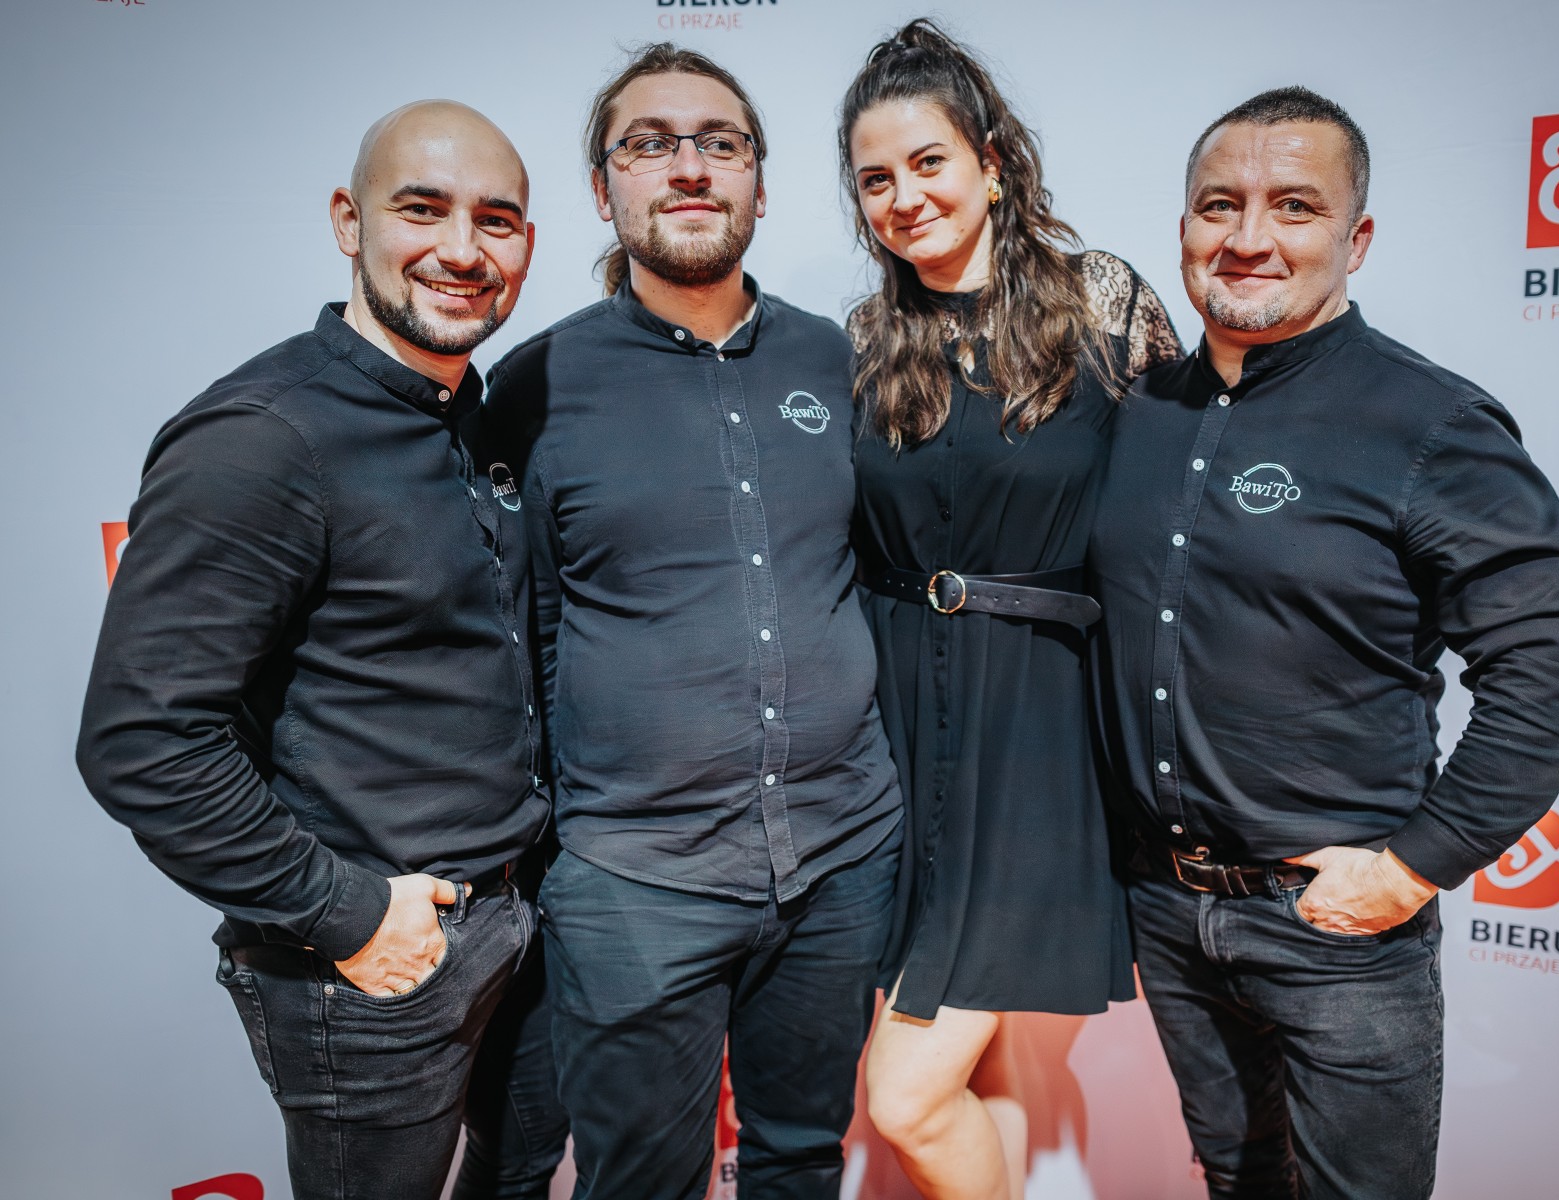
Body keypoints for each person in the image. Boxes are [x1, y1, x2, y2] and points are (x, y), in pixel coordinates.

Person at [1089, 86, 1559, 1199]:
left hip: (1336, 932)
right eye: (1219, 205)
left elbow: (1552, 671)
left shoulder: (1430, 423)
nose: (1249, 237)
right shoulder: (1139, 414)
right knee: (1237, 1183)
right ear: (1182, 227)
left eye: (1295, 206)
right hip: (1168, 911)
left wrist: (1414, 865)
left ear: (1356, 239)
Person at [75, 101, 568, 1200]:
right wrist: (353, 918)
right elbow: (141, 742)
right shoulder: (263, 437)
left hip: (520, 923)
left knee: (520, 1176)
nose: (462, 249)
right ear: (350, 221)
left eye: (496, 220)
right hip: (371, 969)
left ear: (528, 244)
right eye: (422, 209)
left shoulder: (478, 416)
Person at [480, 45, 903, 1200]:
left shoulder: (836, 358)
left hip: (841, 857)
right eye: (650, 144)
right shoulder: (535, 385)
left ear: (759, 182)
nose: (689, 167)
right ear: (603, 186)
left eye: (720, 143)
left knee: (800, 1160)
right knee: (640, 1182)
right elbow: (520, 631)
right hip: (634, 881)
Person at [838, 21, 1183, 1200]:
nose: (904, 197)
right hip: (895, 726)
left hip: (1039, 731)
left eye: (928, 162)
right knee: (977, 1068)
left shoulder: (1103, 304)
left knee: (906, 1095)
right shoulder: (869, 338)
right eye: (875, 179)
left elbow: (1176, 509)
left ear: (991, 163)